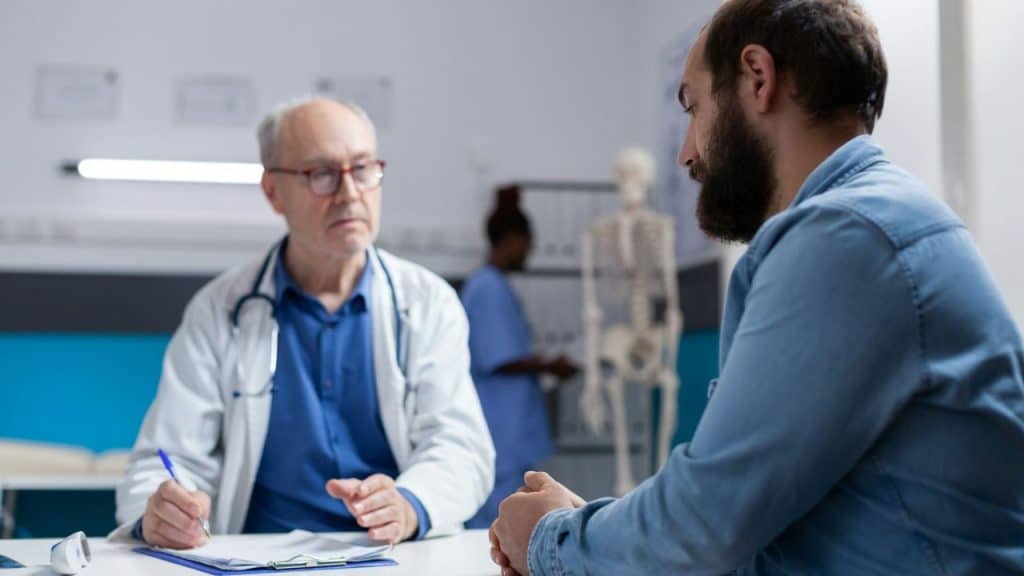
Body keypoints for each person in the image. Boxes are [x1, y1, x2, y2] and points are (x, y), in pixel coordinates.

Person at [490, 1, 1024, 574]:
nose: (686, 151)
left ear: (758, 78)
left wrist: (548, 539)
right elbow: (750, 521)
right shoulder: (875, 222)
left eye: (694, 108)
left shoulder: (845, 237)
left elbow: (703, 527)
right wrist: (601, 527)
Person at [109, 97, 494, 548]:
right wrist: (162, 513)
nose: (350, 193)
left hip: (392, 556)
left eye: (364, 169)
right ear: (273, 191)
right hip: (258, 559)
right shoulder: (219, 310)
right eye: (323, 174)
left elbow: (460, 448)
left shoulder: (427, 303)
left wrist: (410, 504)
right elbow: (167, 459)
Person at [461, 186, 578, 528]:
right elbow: (499, 357)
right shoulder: (487, 287)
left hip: (508, 429)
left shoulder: (493, 285)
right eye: (528, 243)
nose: (530, 251)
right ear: (512, 240)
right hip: (501, 430)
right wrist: (549, 364)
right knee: (495, 524)